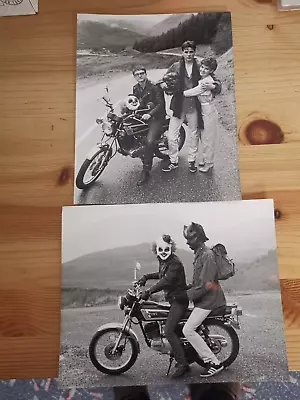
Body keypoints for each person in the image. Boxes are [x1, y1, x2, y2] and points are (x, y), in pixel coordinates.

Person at [161, 41, 221, 173]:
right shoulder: (175, 66)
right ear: (182, 52)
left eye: (191, 51)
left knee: (194, 135)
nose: (188, 54)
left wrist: (214, 86)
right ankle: (173, 160)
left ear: (195, 52)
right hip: (178, 105)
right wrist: (164, 85)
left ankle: (191, 161)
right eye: (186, 52)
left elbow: (215, 81)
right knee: (171, 136)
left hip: (194, 106)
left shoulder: (200, 66)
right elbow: (164, 80)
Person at [138, 234, 190, 379]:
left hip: (179, 300)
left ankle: (183, 364)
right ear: (156, 249)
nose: (163, 252)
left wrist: (149, 291)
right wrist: (146, 277)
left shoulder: (175, 263)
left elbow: (166, 280)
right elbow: (161, 274)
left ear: (171, 248)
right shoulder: (164, 260)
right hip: (173, 299)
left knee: (168, 331)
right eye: (160, 249)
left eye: (166, 249)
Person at [182, 222, 226, 377]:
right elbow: (198, 282)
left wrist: (186, 296)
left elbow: (206, 284)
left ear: (198, 238)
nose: (187, 242)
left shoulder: (207, 255)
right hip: (204, 299)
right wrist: (185, 288)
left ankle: (214, 362)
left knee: (188, 329)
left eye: (190, 239)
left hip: (210, 300)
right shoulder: (200, 253)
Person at [183, 57, 219, 172]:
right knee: (204, 136)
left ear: (211, 71)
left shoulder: (206, 82)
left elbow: (192, 92)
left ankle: (209, 163)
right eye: (202, 67)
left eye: (206, 68)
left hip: (208, 109)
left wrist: (180, 92)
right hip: (203, 109)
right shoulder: (204, 78)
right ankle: (204, 159)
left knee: (208, 138)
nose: (202, 70)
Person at [132, 66, 166, 186]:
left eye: (142, 73)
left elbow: (160, 104)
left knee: (150, 141)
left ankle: (146, 170)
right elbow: (135, 102)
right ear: (134, 77)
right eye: (137, 74)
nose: (140, 76)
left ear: (146, 74)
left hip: (156, 117)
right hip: (142, 115)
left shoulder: (154, 87)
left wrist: (149, 114)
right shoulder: (135, 88)